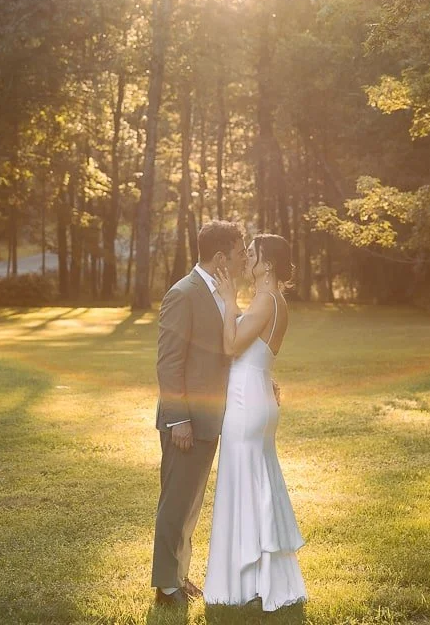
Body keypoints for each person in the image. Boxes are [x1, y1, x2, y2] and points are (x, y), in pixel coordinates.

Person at [202, 232, 307, 611]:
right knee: (255, 481)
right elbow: (258, 352)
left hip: (247, 400)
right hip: (256, 391)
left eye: (252, 254)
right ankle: (259, 579)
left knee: (243, 481)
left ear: (269, 264)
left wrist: (230, 301)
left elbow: (231, 346)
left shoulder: (265, 299)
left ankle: (246, 583)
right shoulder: (276, 300)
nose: (246, 258)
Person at [151, 220, 248, 607]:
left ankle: (178, 575)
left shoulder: (221, 292)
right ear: (221, 257)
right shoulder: (183, 294)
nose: (244, 259)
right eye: (240, 253)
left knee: (191, 503)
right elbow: (169, 362)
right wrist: (179, 419)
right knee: (176, 503)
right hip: (186, 422)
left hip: (210, 419)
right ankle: (166, 588)